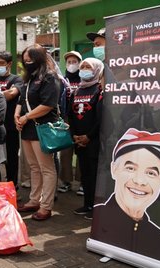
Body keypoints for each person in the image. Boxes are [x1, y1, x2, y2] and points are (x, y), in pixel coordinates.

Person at [92, 128, 160, 268]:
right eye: (130, 168)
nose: (140, 181)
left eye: (151, 173)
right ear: (114, 169)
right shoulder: (98, 219)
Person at [15, 44, 61, 221]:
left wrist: (26, 117)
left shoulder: (49, 78)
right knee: (34, 167)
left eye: (30, 60)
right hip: (26, 128)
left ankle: (46, 206)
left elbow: (48, 104)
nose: (27, 63)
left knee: (46, 168)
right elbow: (21, 98)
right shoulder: (27, 79)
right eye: (24, 60)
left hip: (41, 127)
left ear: (39, 59)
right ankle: (34, 200)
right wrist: (16, 115)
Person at [68, 58, 103, 219]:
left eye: (88, 67)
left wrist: (89, 136)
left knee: (95, 174)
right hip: (79, 141)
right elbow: (70, 115)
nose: (84, 69)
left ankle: (97, 208)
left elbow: (100, 118)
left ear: (97, 69)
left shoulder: (99, 90)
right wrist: (74, 135)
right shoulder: (76, 91)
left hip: (93, 140)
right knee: (85, 174)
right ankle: (87, 204)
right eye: (83, 67)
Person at [0, 51, 23, 184]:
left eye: (1, 63)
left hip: (10, 125)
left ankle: (12, 184)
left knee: (11, 158)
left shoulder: (16, 79)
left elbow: (12, 94)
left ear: (9, 64)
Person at [57, 51, 82, 194]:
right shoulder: (63, 80)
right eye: (69, 62)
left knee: (81, 150)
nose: (71, 64)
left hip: (82, 118)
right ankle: (66, 181)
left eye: (74, 61)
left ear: (80, 63)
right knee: (65, 151)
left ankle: (81, 182)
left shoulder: (86, 78)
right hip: (66, 118)